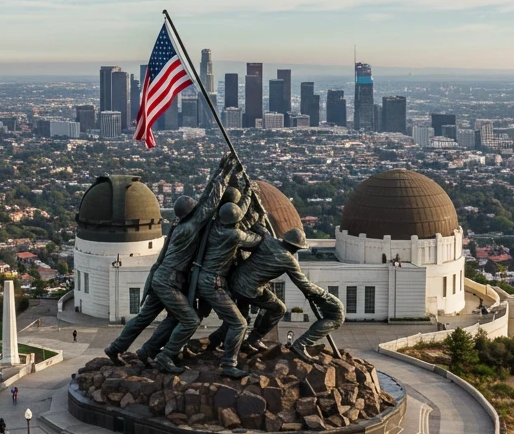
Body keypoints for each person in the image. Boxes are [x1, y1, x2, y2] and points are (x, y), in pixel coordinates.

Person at [105, 154, 236, 373]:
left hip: (161, 277)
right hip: (169, 281)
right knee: (190, 320)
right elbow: (210, 203)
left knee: (144, 318)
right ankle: (166, 356)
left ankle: (121, 348)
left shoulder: (178, 225)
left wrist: (219, 171)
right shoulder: (189, 228)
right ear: (190, 213)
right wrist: (225, 174)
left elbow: (204, 200)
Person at [229, 228, 343, 363]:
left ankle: (248, 340)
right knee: (278, 309)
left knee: (249, 313)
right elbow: (304, 285)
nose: (296, 251)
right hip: (248, 289)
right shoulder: (288, 259)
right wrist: (324, 295)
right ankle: (253, 339)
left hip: (236, 280)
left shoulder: (267, 238)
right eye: (297, 248)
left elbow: (257, 227)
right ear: (294, 246)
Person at [189, 192, 263, 378]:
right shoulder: (235, 235)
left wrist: (246, 196)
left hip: (202, 279)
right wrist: (257, 216)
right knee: (239, 324)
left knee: (197, 317)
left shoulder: (213, 227)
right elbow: (256, 240)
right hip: (213, 283)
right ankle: (229, 364)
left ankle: (211, 341)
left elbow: (235, 214)